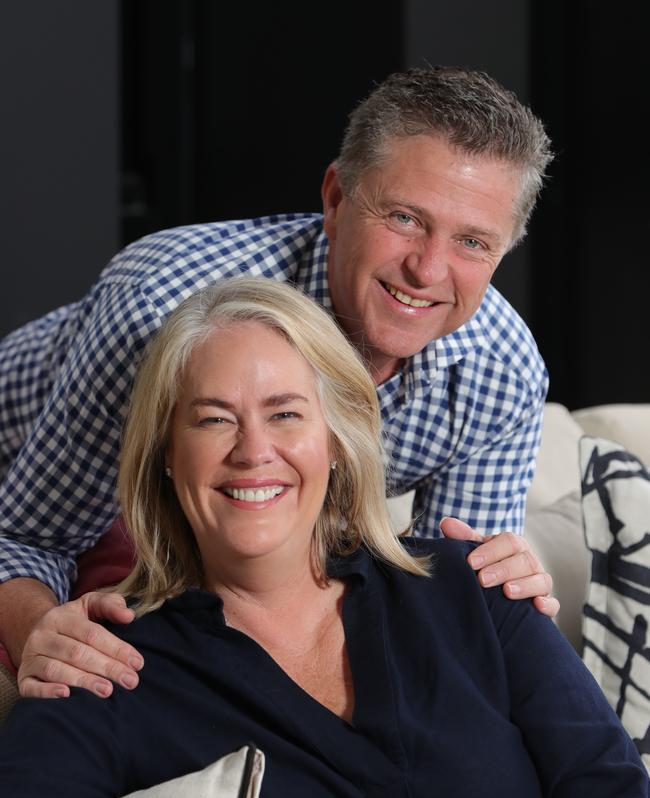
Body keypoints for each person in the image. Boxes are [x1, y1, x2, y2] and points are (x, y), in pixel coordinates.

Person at [0, 276, 647, 798]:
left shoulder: (472, 582)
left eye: (285, 413)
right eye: (214, 418)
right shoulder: (113, 663)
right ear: (168, 456)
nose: (253, 451)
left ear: (335, 442)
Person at [0, 65, 557, 700]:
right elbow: (26, 534)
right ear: (335, 199)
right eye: (404, 217)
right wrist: (40, 633)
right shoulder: (162, 310)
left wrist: (503, 601)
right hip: (46, 477)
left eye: (472, 243)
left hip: (221, 522)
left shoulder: (501, 373)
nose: (428, 270)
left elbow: (441, 602)